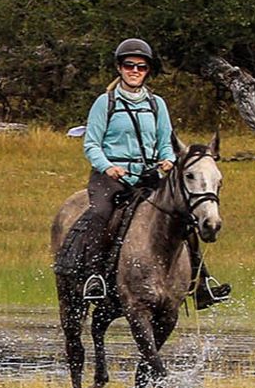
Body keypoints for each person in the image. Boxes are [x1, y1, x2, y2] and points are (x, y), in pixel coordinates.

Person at [81, 37, 231, 308]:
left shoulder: (156, 104)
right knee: (100, 214)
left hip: (147, 176)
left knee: (184, 215)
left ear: (148, 70)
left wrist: (166, 160)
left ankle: (201, 281)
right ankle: (94, 278)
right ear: (119, 68)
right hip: (111, 177)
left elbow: (166, 141)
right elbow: (91, 144)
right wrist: (108, 167)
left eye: (141, 66)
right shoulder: (105, 103)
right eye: (129, 65)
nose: (135, 71)